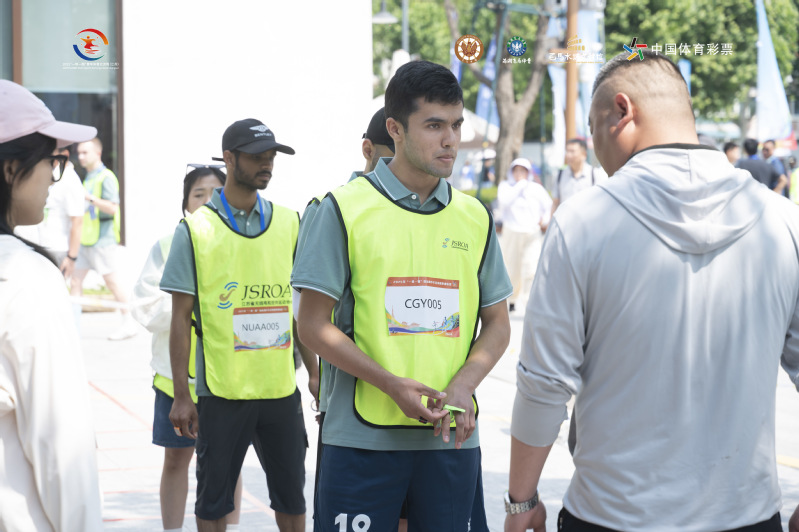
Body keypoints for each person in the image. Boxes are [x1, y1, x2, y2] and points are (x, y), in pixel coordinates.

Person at [505, 50, 799, 532]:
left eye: (594, 130)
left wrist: (522, 503)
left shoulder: (583, 222)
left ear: (622, 111)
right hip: (747, 514)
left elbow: (544, 384)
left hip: (610, 515)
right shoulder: (782, 221)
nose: (595, 150)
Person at [293, 60, 512, 531]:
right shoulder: (341, 209)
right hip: (361, 442)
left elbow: (497, 323)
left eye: (456, 125)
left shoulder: (474, 217)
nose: (450, 139)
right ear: (395, 129)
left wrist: (463, 386)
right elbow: (310, 325)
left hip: (450, 439)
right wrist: (391, 384)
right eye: (434, 126)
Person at [161, 118, 318, 532]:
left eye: (271, 156)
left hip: (280, 389)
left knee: (292, 496)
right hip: (222, 392)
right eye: (256, 156)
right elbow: (180, 319)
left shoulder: (290, 222)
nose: (267, 163)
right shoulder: (195, 230)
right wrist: (182, 394)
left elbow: (301, 308)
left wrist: (315, 374)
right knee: (213, 501)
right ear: (229, 159)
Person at [0, 79, 102, 531]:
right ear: (11, 169)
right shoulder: (25, 277)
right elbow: (63, 448)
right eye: (52, 163)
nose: (53, 180)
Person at [132, 164, 245, 532]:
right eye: (199, 194)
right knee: (176, 461)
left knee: (228, 464)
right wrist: (189, 306)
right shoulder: (167, 246)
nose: (208, 200)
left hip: (229, 378)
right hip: (175, 382)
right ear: (185, 204)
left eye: (216, 193)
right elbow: (145, 307)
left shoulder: (245, 245)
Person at [71, 137, 137, 340]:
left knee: (112, 281)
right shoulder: (90, 176)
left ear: (97, 153)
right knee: (75, 281)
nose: (81, 157)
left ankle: (129, 322)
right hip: (86, 239)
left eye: (85, 152)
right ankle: (72, 328)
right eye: (79, 153)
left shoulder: (106, 177)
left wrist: (89, 198)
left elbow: (113, 207)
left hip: (102, 240)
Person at [14, 144, 84, 280]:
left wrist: (71, 257)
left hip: (56, 249)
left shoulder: (70, 179)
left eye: (51, 154)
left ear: (64, 155)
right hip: (39, 246)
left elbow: (77, 220)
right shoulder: (49, 173)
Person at [496, 158, 551, 313]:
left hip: (531, 232)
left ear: (528, 172)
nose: (519, 173)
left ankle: (529, 302)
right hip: (512, 231)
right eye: (516, 170)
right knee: (512, 267)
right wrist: (519, 186)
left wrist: (544, 220)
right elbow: (504, 202)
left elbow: (547, 206)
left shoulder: (536, 188)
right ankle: (512, 299)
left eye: (523, 170)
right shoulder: (506, 186)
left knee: (531, 267)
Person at [547, 138, 606, 223]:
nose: (568, 155)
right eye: (567, 151)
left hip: (588, 223)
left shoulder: (595, 174)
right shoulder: (560, 175)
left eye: (572, 151)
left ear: (584, 154)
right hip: (565, 224)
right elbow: (555, 203)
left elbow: (600, 202)